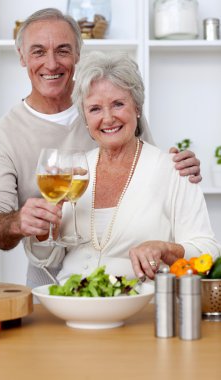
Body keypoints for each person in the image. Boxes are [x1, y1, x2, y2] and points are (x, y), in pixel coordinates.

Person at [0, 8, 201, 283]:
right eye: (38, 51)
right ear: (22, 57)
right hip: (47, 276)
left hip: (125, 276)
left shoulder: (111, 103)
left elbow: (148, 172)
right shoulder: (4, 135)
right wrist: (16, 222)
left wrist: (180, 168)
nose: (51, 63)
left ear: (78, 55)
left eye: (62, 50)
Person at [25, 51, 220, 287]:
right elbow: (47, 258)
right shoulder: (75, 171)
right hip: (71, 301)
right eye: (95, 109)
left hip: (141, 307)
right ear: (85, 117)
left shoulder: (173, 169)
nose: (107, 119)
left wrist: (165, 249)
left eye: (118, 104)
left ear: (137, 107)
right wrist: (45, 229)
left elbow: (208, 252)